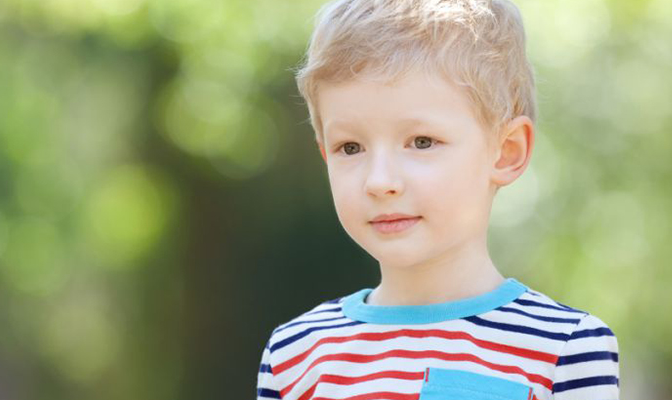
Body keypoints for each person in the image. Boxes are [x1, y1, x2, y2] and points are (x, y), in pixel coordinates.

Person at [256, 0, 620, 399]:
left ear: (506, 151)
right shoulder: (295, 354)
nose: (380, 181)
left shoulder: (564, 347)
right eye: (350, 147)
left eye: (421, 142)